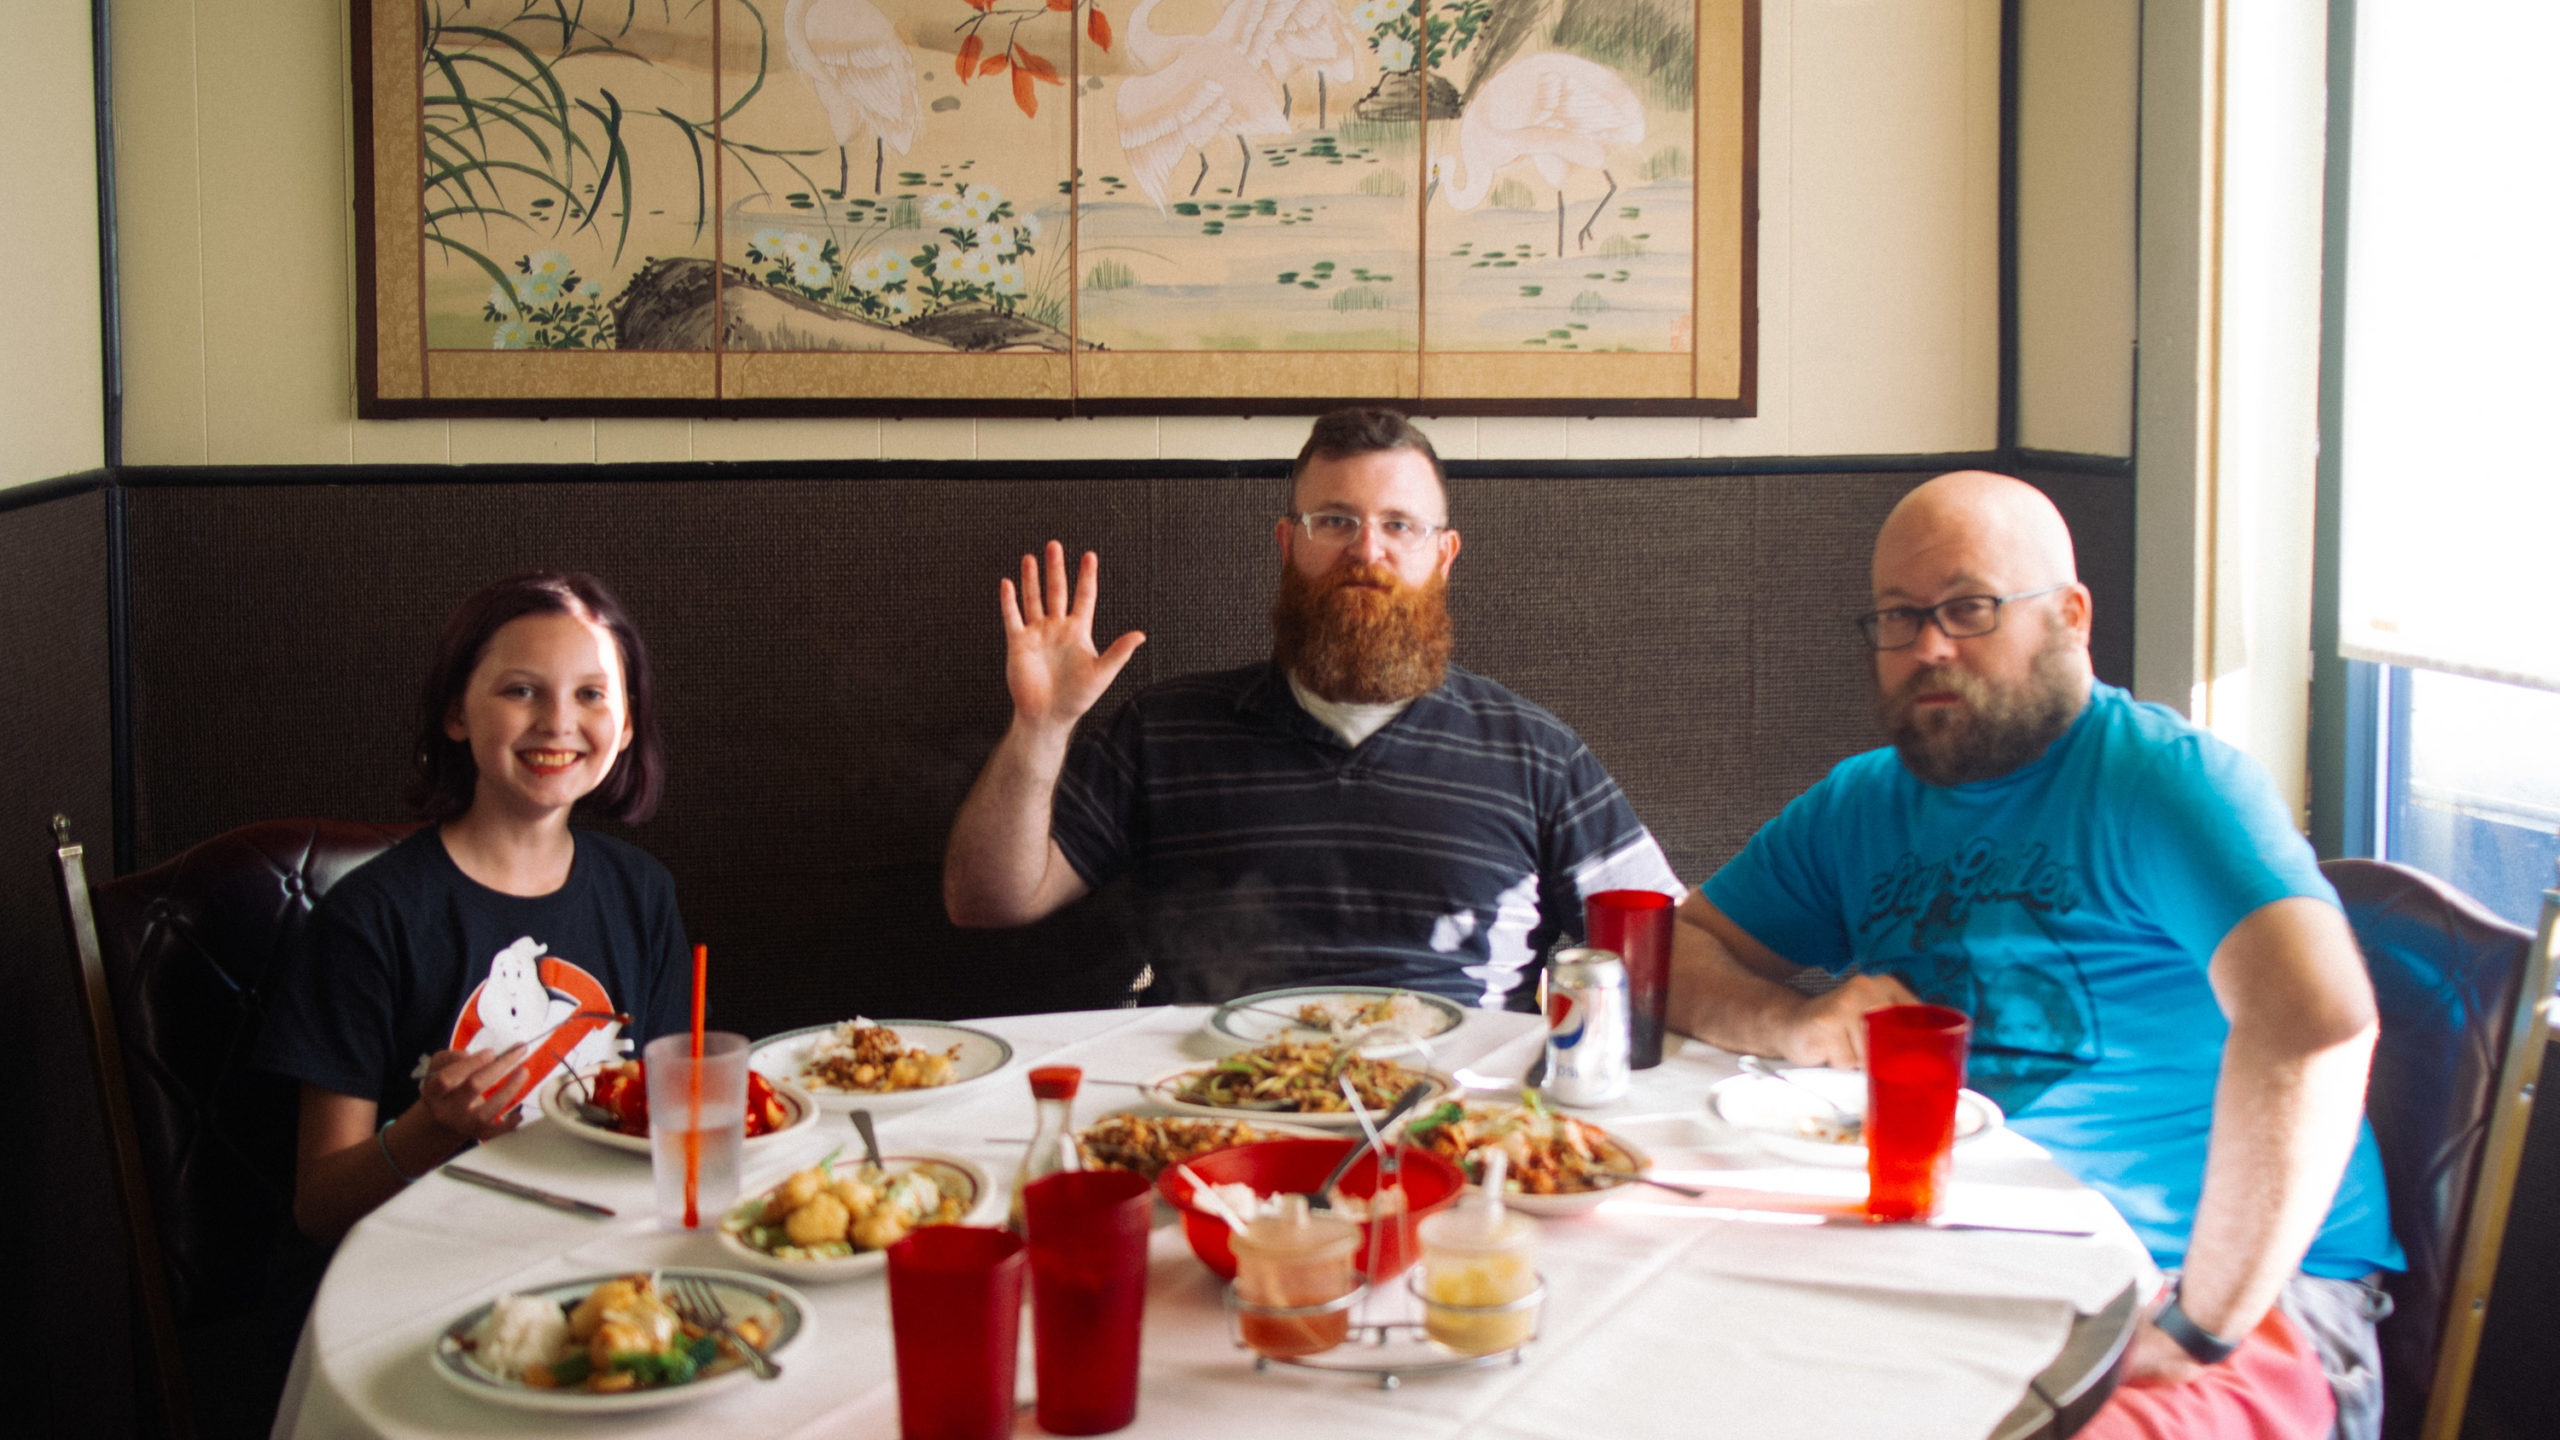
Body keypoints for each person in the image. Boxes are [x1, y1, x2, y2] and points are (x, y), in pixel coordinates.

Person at [1667, 471, 2399, 1440]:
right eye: (1897, 616)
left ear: (2070, 615)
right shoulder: (1861, 803)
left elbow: (2318, 1024)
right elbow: (1669, 951)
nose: (1928, 646)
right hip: (1965, 1256)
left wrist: (2197, 1325)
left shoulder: (2167, 784)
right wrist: (1790, 1021)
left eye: (1967, 608)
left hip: (2233, 1291)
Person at [943, 407, 1681, 1006]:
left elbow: (1670, 947)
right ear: (1287, 544)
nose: (1367, 551)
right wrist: (1042, 728)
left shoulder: (1537, 755)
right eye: (1335, 521)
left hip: (1457, 1120)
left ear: (1444, 555)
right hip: (1212, 1110)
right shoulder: (1165, 729)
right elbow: (987, 901)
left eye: (1400, 524)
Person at [257, 572, 691, 1242]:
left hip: (600, 1250)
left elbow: (672, 1125)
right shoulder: (369, 917)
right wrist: (428, 1131)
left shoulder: (643, 892)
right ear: (456, 713)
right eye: (521, 690)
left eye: (591, 694)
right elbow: (319, 1206)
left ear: (627, 722)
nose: (558, 721)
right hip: (426, 1266)